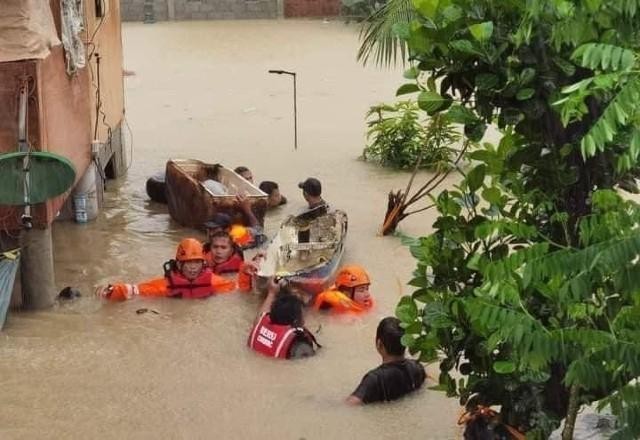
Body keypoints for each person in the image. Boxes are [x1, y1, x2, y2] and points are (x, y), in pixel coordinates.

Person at [98, 238, 234, 301]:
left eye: (197, 262)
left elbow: (239, 289)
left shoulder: (213, 281)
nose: (193, 267)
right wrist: (110, 292)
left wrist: (247, 272)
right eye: (189, 263)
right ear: (179, 264)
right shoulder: (165, 285)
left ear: (203, 264)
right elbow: (134, 290)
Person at [347, 317, 426, 405]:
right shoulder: (418, 368)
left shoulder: (374, 379)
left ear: (379, 344)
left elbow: (351, 404)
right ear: (405, 343)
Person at [247, 279, 320, 359]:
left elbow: (261, 315)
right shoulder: (300, 347)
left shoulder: (260, 324)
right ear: (296, 321)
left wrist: (271, 293)